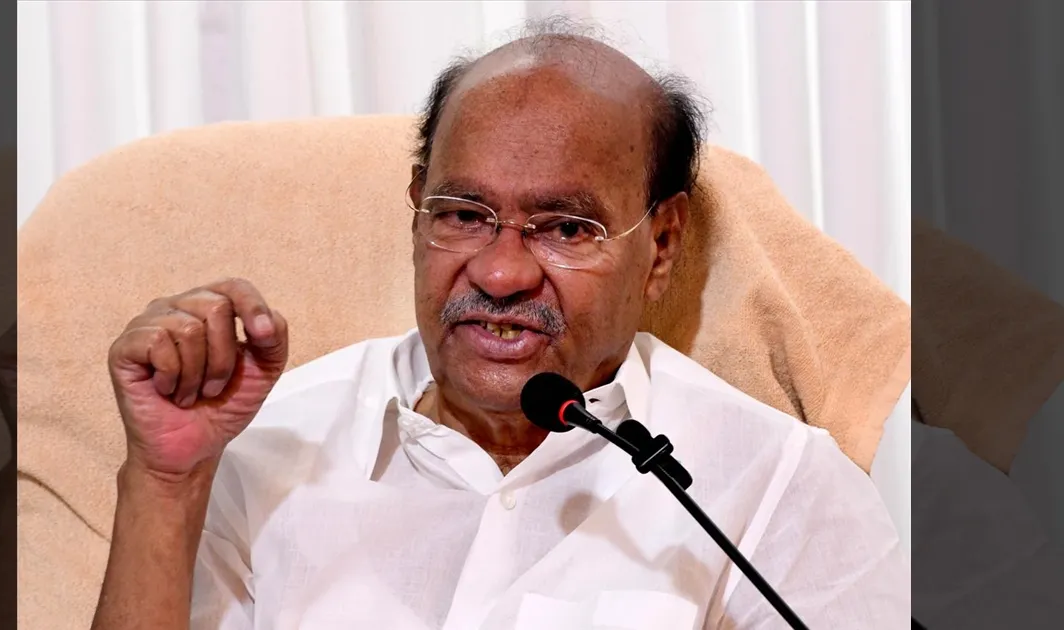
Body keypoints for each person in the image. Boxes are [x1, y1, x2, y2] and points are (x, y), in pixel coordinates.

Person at [90, 24, 909, 630]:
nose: (502, 273)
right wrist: (164, 485)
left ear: (660, 247)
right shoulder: (266, 445)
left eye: (567, 228)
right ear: (417, 210)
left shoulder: (777, 490)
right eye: (464, 214)